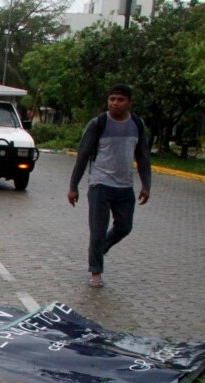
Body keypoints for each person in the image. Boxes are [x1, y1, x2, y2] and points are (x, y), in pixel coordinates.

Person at [67, 84, 152, 288]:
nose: (115, 103)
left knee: (124, 227)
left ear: (129, 102)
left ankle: (99, 248)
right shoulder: (98, 123)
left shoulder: (137, 125)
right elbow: (83, 156)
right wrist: (73, 186)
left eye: (120, 100)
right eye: (112, 99)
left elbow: (143, 156)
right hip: (100, 184)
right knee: (97, 230)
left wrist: (146, 185)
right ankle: (96, 272)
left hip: (124, 186)